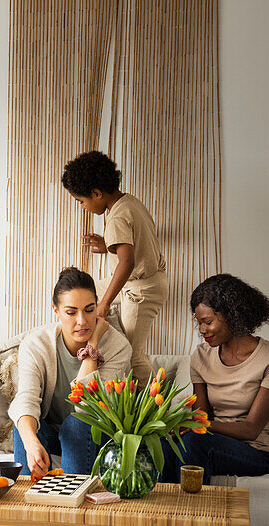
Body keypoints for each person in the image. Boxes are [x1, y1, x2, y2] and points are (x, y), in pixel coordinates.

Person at [137, 273, 269, 526]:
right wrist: (182, 422)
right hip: (210, 444)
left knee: (195, 439)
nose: (202, 330)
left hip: (255, 451)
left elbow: (250, 428)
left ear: (231, 314)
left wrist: (197, 424)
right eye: (199, 323)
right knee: (170, 443)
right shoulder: (201, 357)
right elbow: (202, 417)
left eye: (207, 322)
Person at [9, 266, 132, 526]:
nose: (82, 321)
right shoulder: (36, 343)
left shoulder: (117, 347)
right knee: (22, 432)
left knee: (77, 424)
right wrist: (32, 441)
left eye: (90, 311)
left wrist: (91, 353)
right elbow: (26, 400)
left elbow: (88, 406)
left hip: (93, 431)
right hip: (50, 428)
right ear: (56, 312)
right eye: (71, 312)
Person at [63, 151, 169, 384]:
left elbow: (127, 262)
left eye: (81, 201)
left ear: (97, 193)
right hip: (143, 282)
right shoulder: (128, 202)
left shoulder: (118, 217)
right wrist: (107, 244)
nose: (82, 207)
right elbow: (134, 244)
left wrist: (105, 304)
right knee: (84, 299)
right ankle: (83, 342)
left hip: (141, 291)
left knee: (133, 354)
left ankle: (157, 407)